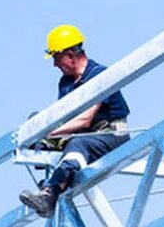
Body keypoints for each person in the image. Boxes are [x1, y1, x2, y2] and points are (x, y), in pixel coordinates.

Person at [19, 24, 132, 217]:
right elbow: (63, 119)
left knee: (77, 144)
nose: (55, 64)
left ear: (70, 55)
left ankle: (51, 192)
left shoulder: (98, 75)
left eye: (56, 57)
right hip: (83, 136)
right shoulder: (66, 83)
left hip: (111, 136)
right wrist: (38, 133)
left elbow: (85, 120)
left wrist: (49, 133)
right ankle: (52, 186)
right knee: (37, 125)